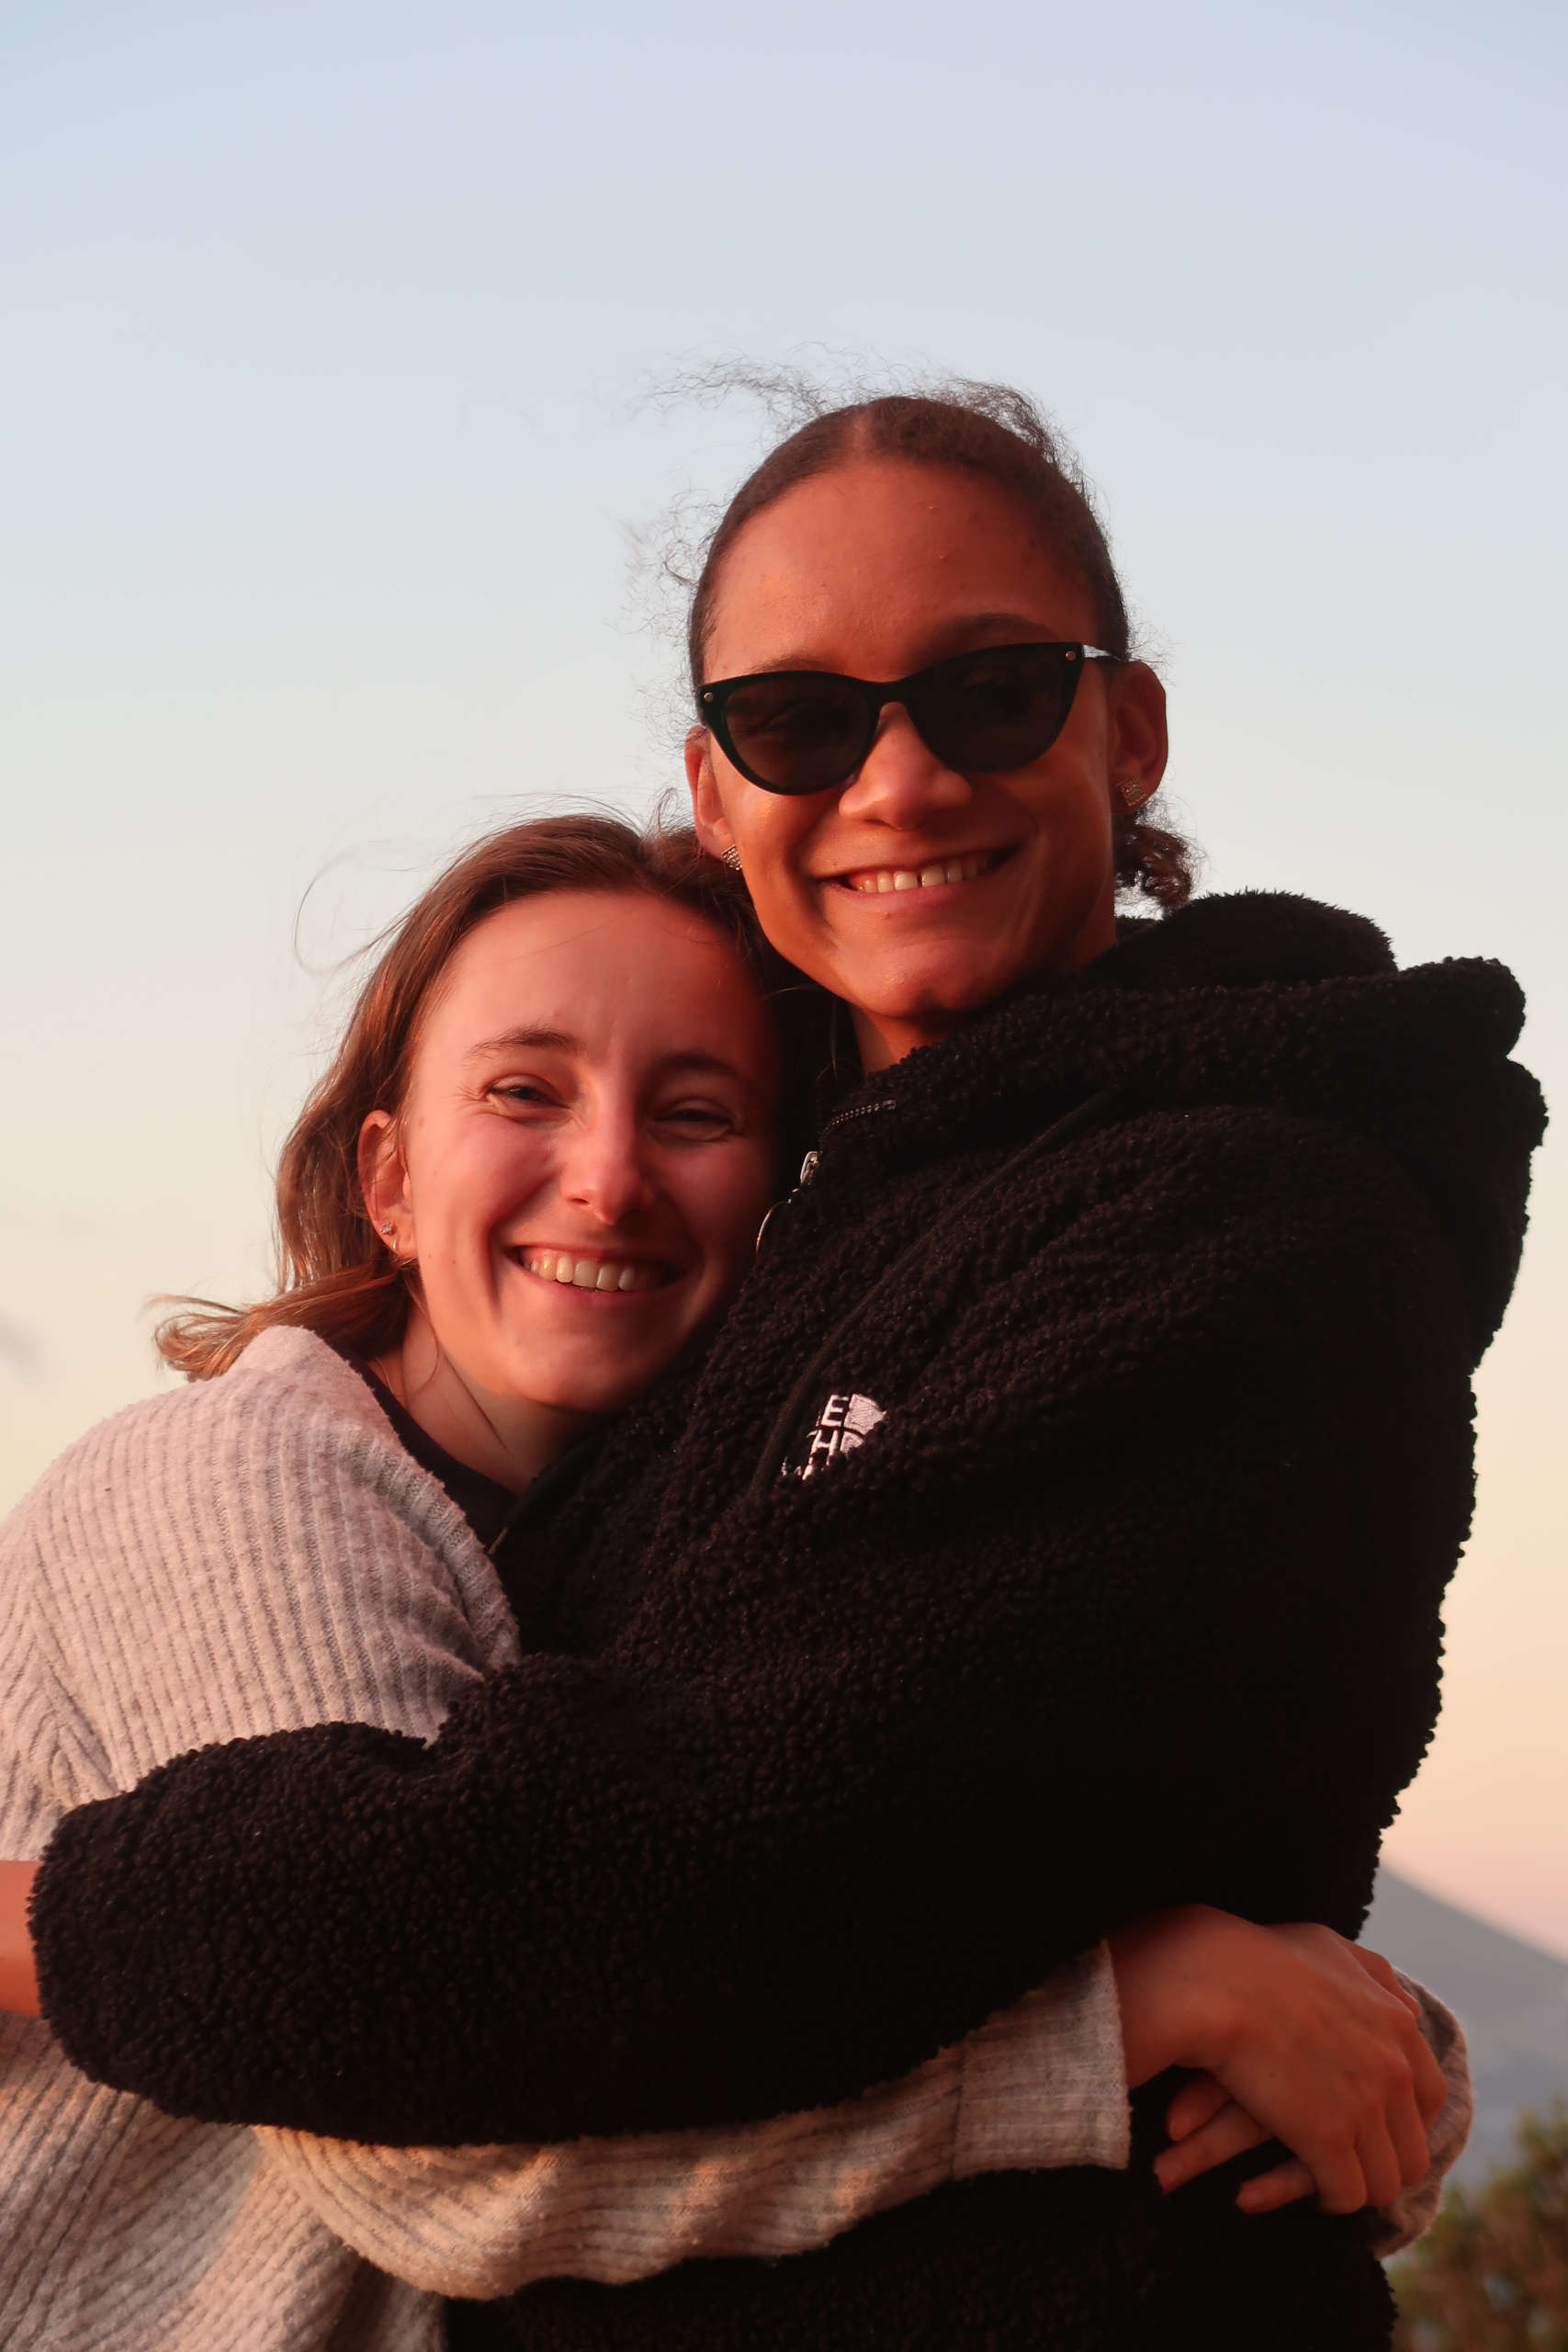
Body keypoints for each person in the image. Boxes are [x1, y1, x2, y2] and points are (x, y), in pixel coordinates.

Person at [9, 383, 1543, 2348]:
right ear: (721, 787)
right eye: (803, 720)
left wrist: (1354, 2041)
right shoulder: (779, 1299)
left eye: (990, 690)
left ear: (1129, 727)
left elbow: (743, 1869)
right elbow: (615, 1956)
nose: (896, 780)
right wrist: (1123, 2017)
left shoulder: (1224, 1224)